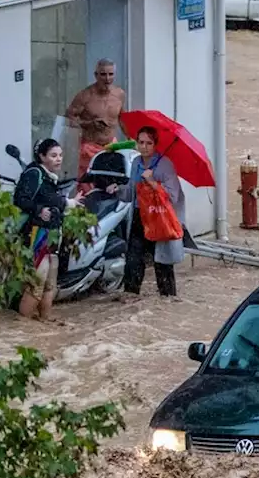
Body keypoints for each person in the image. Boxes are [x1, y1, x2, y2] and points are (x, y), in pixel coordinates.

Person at [107, 126, 185, 297]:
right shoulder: (135, 163)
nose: (144, 146)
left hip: (160, 219)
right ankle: (131, 295)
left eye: (149, 143)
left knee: (162, 262)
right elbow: (131, 192)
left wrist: (152, 182)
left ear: (155, 144)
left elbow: (173, 195)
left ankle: (168, 298)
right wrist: (118, 189)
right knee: (133, 259)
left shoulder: (165, 165)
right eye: (141, 142)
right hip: (139, 217)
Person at [13, 139, 86, 321]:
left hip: (53, 235)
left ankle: (46, 322)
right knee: (36, 284)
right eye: (53, 156)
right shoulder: (34, 174)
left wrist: (70, 203)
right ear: (42, 156)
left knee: (50, 284)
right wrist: (39, 210)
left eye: (60, 155)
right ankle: (22, 328)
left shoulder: (50, 177)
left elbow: (51, 200)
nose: (59, 159)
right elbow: (20, 199)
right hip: (38, 235)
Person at [65, 59, 125, 190]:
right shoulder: (84, 96)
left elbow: (122, 119)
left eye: (111, 74)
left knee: (112, 188)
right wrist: (89, 124)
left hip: (112, 147)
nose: (107, 78)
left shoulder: (119, 94)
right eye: (103, 74)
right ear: (96, 75)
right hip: (89, 147)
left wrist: (133, 140)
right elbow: (69, 118)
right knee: (87, 189)